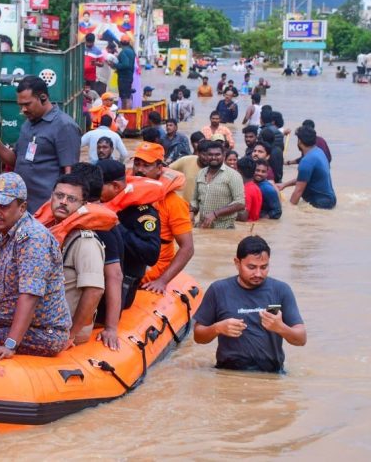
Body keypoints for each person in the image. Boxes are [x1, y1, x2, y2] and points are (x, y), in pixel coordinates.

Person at [0, 173, 72, 359]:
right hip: (2, 316)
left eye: (3, 206)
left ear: (22, 207)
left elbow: (30, 295)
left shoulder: (33, 239)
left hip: (42, 331)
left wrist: (10, 344)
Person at [194, 236, 306, 372]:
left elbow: (301, 339)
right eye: (251, 267)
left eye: (264, 267)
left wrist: (280, 327)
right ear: (237, 263)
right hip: (228, 375)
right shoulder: (218, 290)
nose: (258, 273)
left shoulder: (280, 290)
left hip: (271, 376)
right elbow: (198, 337)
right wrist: (217, 328)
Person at [0, 76, 81, 214]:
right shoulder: (28, 123)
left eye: (27, 104)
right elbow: (16, 161)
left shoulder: (64, 126)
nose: (23, 110)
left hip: (46, 211)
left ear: (43, 97)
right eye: (20, 105)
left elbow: (70, 173)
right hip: (22, 206)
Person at [45, 174, 112, 345]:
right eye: (59, 196)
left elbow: (94, 291)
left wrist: (71, 334)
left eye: (71, 199)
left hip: (66, 328)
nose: (63, 202)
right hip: (46, 319)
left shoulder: (85, 242)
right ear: (51, 197)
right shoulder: (49, 230)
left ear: (83, 205)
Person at [70, 163, 124, 350]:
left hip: (95, 311)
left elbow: (115, 275)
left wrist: (111, 328)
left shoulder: (98, 225)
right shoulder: (100, 217)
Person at [130, 143, 194, 295]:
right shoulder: (125, 194)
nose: (139, 170)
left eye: (146, 165)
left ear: (159, 168)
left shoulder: (173, 203)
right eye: (137, 164)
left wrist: (162, 281)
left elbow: (188, 248)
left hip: (151, 276)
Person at [98, 160, 161, 310]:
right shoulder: (94, 204)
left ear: (115, 186)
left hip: (122, 285)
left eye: (97, 186)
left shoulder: (143, 212)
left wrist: (116, 226)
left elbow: (151, 255)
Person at [190, 140, 245, 229]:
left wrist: (215, 213)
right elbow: (195, 200)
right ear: (206, 156)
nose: (213, 157)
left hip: (225, 229)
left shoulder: (233, 175)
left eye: (217, 154)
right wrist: (191, 212)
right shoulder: (200, 174)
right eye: (210, 154)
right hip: (203, 227)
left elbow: (240, 203)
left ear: (223, 156)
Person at [279, 126, 336, 209]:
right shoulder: (319, 151)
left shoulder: (306, 161)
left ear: (300, 141)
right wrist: (284, 185)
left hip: (320, 203)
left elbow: (298, 191)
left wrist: (289, 211)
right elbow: (304, 178)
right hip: (330, 199)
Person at [169, 132, 207, 204]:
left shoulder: (216, 169)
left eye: (209, 155)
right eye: (204, 154)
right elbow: (167, 170)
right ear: (198, 153)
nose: (206, 158)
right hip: (183, 206)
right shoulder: (186, 160)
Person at [235, 157, 262, 223]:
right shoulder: (255, 187)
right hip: (253, 225)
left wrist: (224, 212)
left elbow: (243, 217)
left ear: (239, 171)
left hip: (246, 228)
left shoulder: (246, 190)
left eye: (236, 169)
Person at [114, 37, 136, 109]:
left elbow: (125, 64)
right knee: (127, 96)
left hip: (123, 78)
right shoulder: (131, 51)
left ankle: (125, 115)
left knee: (124, 98)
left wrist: (115, 65)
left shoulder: (124, 52)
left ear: (120, 43)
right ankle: (129, 114)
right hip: (129, 77)